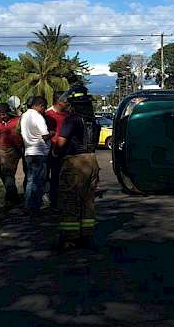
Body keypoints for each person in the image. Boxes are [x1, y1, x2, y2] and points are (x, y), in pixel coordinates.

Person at [54, 86, 100, 249]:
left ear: (74, 104)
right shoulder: (93, 121)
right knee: (87, 200)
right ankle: (86, 234)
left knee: (70, 199)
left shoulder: (71, 119)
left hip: (75, 162)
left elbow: (61, 142)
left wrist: (54, 153)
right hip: (92, 161)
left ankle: (69, 238)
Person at [20, 96, 51, 215]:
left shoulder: (24, 116)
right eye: (44, 108)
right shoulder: (38, 117)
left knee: (30, 180)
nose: (44, 111)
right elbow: (44, 135)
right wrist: (51, 134)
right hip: (39, 152)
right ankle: (35, 207)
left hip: (28, 151)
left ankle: (28, 205)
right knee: (39, 181)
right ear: (40, 105)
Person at [0, 103, 24, 206]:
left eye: (4, 114)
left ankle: (13, 198)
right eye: (0, 114)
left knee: (8, 174)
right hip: (2, 150)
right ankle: (11, 196)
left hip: (14, 150)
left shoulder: (17, 121)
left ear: (8, 113)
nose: (2, 116)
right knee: (4, 175)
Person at [45, 93, 69, 209]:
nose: (67, 103)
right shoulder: (48, 115)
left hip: (64, 150)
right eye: (65, 101)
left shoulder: (67, 115)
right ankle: (53, 200)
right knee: (52, 176)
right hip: (51, 150)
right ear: (59, 102)